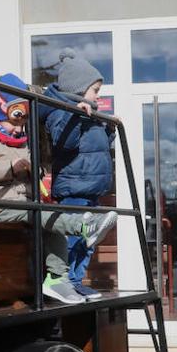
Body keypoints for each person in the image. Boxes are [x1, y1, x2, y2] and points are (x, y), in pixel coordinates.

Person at [0, 74, 117, 304]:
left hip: (25, 202)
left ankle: (57, 279)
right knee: (44, 214)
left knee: (48, 214)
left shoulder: (21, 137)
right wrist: (10, 167)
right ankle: (85, 226)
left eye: (22, 124)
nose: (18, 130)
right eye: (14, 123)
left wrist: (36, 172)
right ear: (0, 110)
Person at [40, 52, 115, 299]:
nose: (98, 95)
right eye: (95, 90)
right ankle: (64, 280)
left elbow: (97, 147)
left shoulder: (89, 114)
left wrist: (110, 130)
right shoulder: (61, 111)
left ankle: (76, 279)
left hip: (91, 187)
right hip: (75, 188)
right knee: (72, 239)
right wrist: (74, 114)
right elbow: (65, 143)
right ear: (79, 88)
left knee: (87, 241)